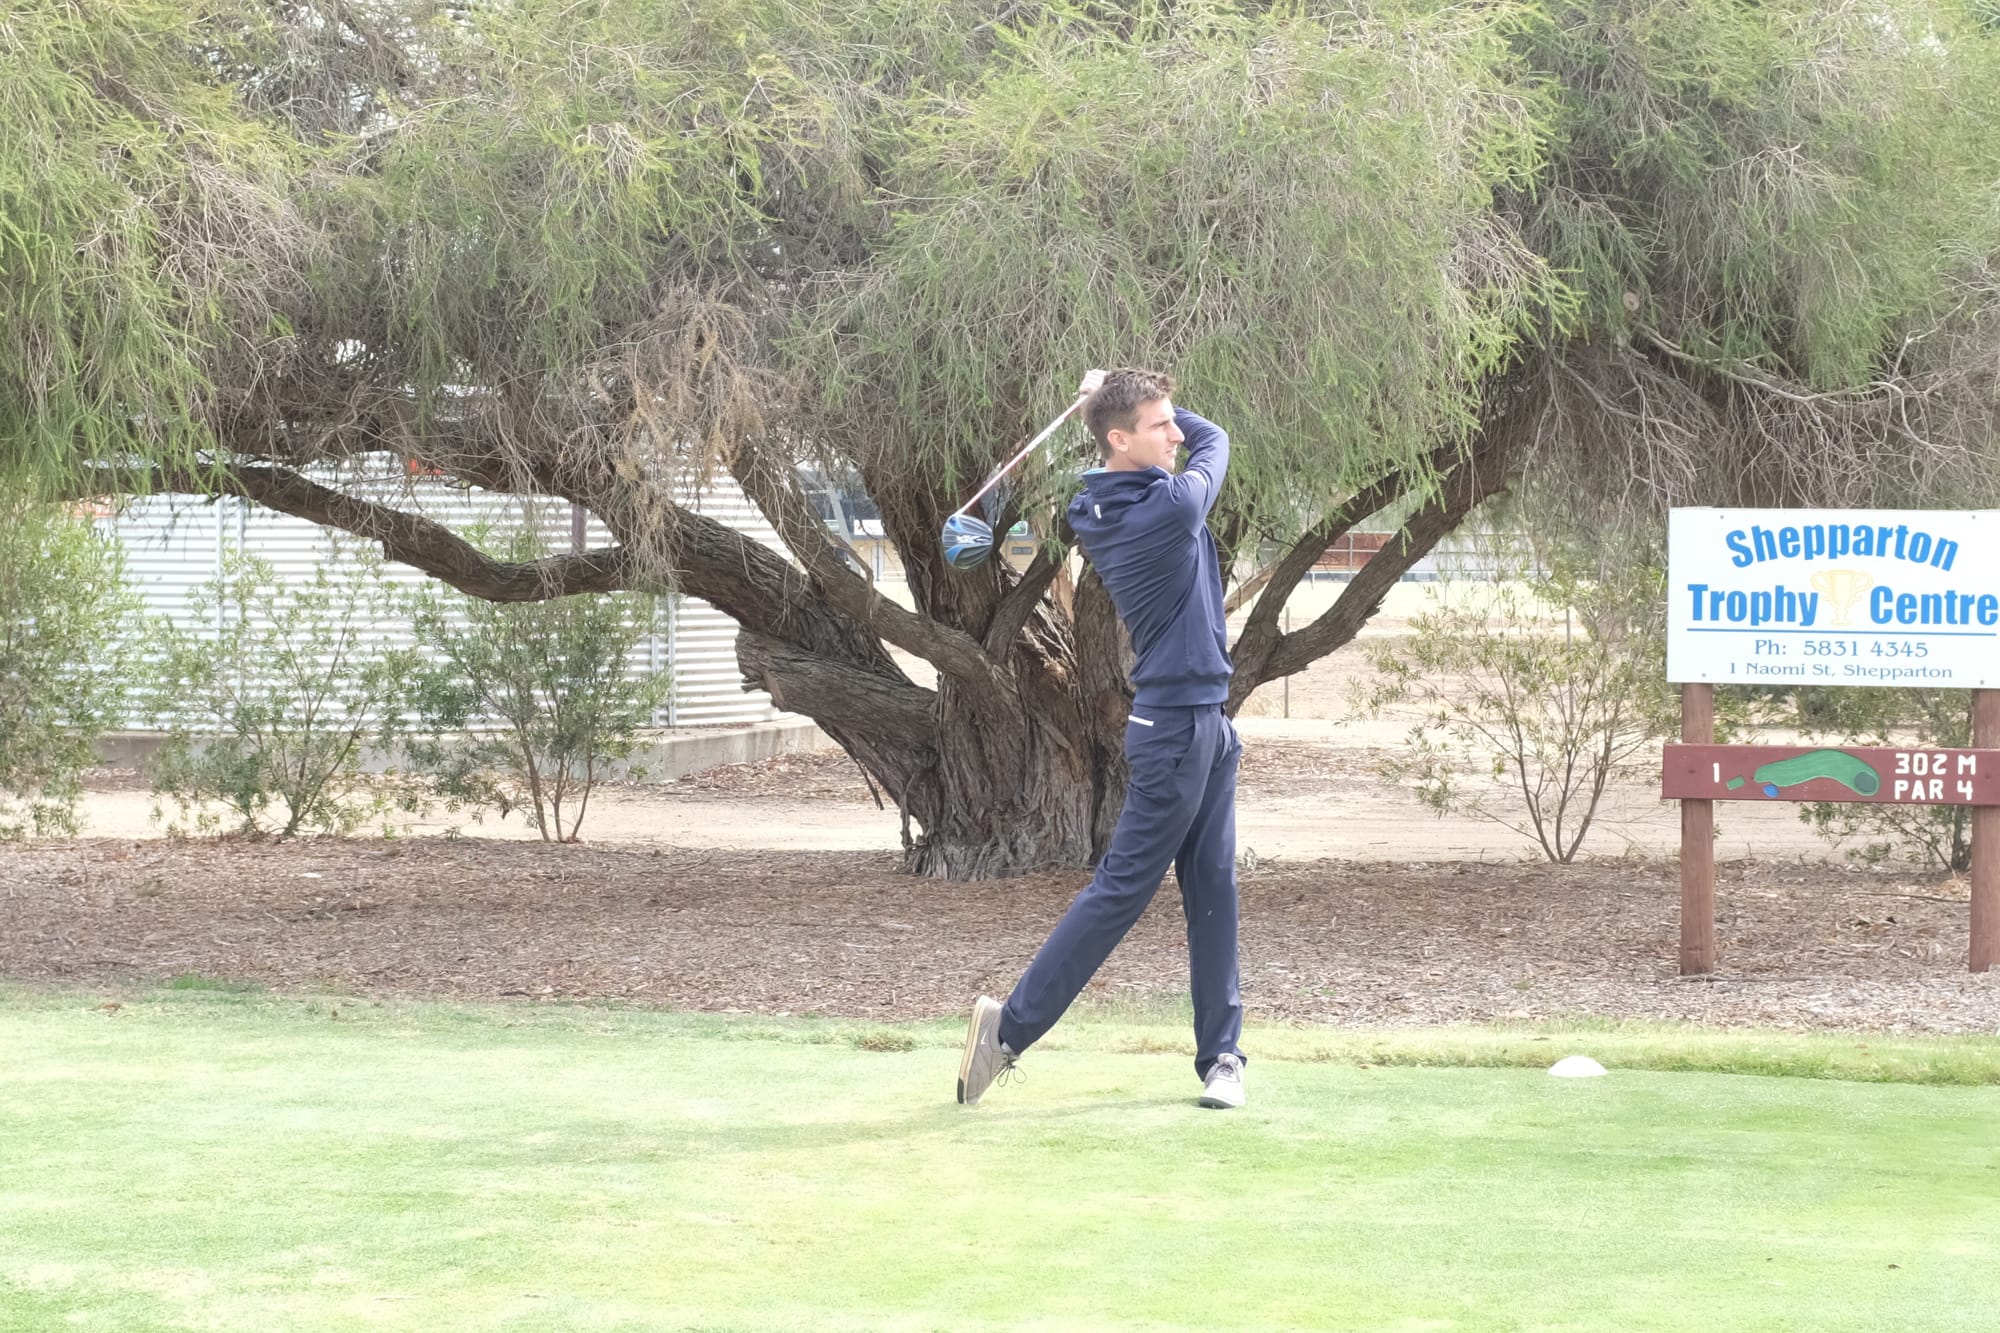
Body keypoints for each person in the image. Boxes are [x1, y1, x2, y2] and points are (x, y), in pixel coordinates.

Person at [956, 366, 1246, 1110]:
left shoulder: (1102, 500)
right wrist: (1113, 395)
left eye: (1173, 419)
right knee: (1121, 892)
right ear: (1119, 440)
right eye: (1159, 425)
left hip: (1207, 724)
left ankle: (1222, 1057)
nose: (1177, 434)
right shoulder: (1167, 509)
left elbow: (1175, 437)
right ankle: (1007, 1031)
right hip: (1174, 731)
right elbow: (1216, 440)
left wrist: (1116, 399)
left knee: (1214, 887)